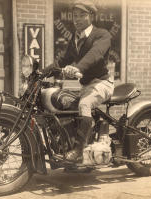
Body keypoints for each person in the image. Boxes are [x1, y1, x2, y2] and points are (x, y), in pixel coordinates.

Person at [44, 0, 114, 162]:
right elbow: (60, 61)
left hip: (102, 83)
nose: (77, 19)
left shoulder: (102, 35)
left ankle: (78, 151)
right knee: (66, 105)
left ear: (91, 16)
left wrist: (78, 68)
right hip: (87, 86)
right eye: (75, 15)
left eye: (82, 15)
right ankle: (68, 145)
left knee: (84, 105)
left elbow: (95, 54)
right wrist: (41, 73)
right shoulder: (75, 39)